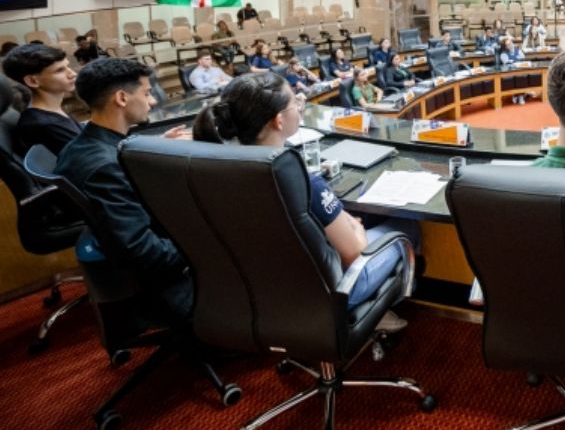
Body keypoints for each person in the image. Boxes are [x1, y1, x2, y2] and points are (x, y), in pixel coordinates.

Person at [193, 72, 413, 329]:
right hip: (328, 294)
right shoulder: (304, 182)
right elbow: (354, 252)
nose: (299, 105)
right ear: (279, 120)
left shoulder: (214, 173)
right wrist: (356, 229)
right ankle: (376, 310)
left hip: (255, 292)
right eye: (294, 102)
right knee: (405, 226)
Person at [55, 58, 193, 324]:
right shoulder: (105, 168)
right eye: (147, 93)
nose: (152, 101)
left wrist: (158, 144)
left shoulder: (82, 145)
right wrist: (202, 243)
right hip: (170, 285)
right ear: (121, 98)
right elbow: (144, 251)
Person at [2, 44, 81, 156]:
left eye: (67, 66)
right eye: (59, 70)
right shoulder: (48, 125)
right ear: (32, 81)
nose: (73, 74)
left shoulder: (50, 112)